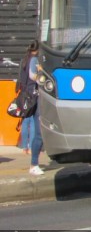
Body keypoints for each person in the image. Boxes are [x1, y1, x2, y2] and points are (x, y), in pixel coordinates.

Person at [20, 40, 43, 176]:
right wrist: (42, 76)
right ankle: (34, 164)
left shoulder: (25, 59)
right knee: (38, 131)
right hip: (34, 97)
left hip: (28, 97)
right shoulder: (34, 60)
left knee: (28, 123)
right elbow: (32, 76)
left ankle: (26, 149)